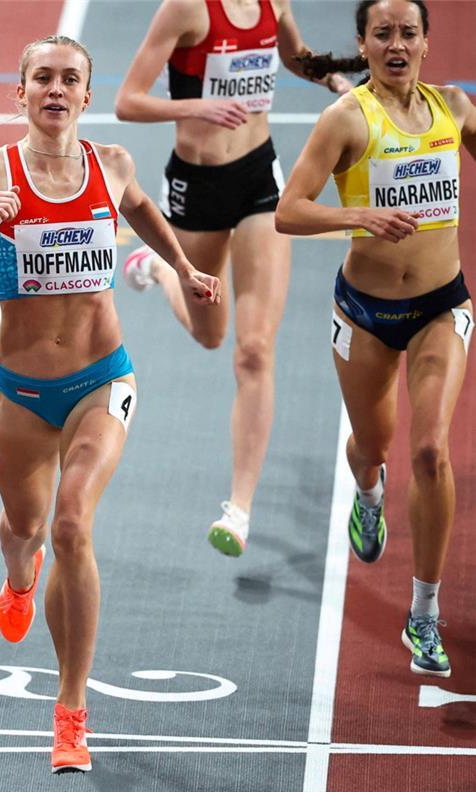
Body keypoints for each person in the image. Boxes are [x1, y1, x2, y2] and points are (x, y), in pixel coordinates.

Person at [0, 35, 220, 773]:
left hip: (102, 379)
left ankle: (71, 710)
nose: (54, 89)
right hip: (20, 393)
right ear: (19, 93)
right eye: (40, 77)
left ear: (85, 93)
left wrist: (182, 265)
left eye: (67, 79)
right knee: (25, 527)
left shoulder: (111, 165)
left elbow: (138, 208)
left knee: (73, 522)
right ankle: (19, 577)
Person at [276, 0, 474, 678]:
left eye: (408, 32)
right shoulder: (347, 119)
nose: (397, 43)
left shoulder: (454, 106)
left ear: (426, 41)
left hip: (442, 307)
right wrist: (359, 213)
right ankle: (367, 490)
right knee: (373, 446)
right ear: (362, 43)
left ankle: (423, 613)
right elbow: (288, 211)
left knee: (429, 451)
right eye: (382, 33)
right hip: (363, 313)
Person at [115, 0, 352, 557]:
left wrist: (336, 78)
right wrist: (199, 107)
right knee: (210, 334)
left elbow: (295, 56)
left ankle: (239, 509)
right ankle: (154, 266)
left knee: (252, 350)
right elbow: (128, 101)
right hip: (195, 187)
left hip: (258, 179)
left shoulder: (275, 3)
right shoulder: (186, 10)